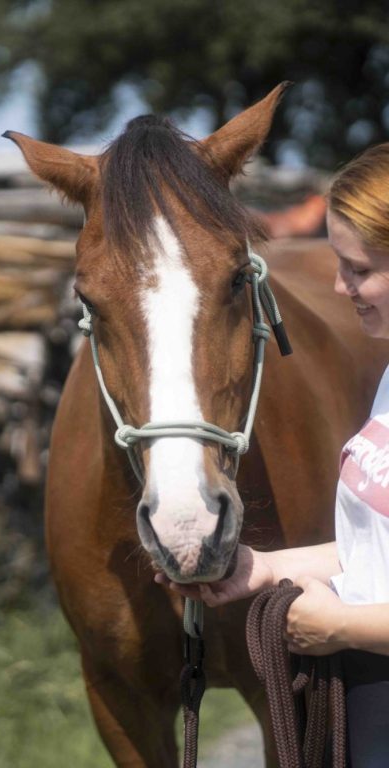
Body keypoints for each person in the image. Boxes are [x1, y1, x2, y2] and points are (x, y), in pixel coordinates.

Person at [156, 143, 389, 767]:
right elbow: (378, 548)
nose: (340, 287)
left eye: (359, 269)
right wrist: (259, 568)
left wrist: (340, 629)